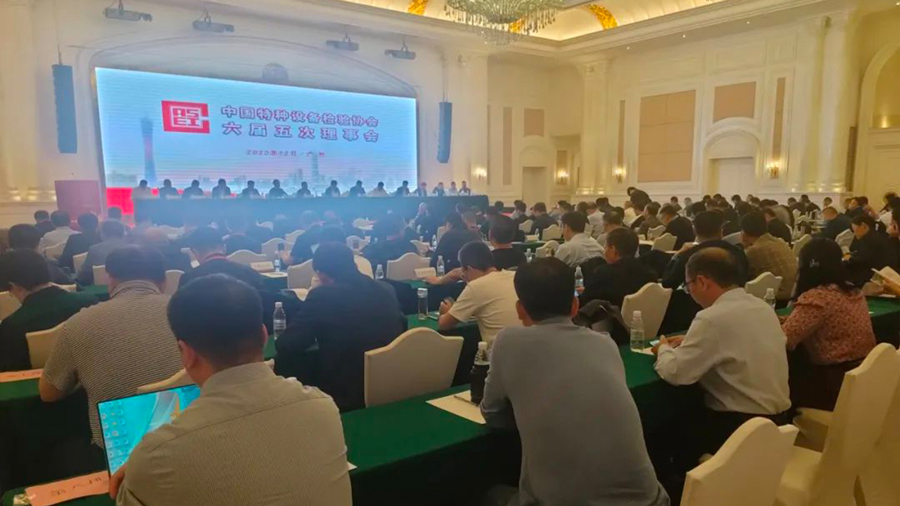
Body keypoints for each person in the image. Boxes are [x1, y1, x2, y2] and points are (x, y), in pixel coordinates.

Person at [112, 274, 351, 506]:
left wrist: (138, 473)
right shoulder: (323, 407)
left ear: (186, 353)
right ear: (264, 335)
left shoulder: (157, 456)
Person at [481, 258, 669, 506]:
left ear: (519, 309)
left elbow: (491, 411)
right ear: (575, 305)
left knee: (487, 492)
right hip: (652, 500)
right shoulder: (605, 343)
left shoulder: (507, 342)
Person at [39, 247, 184, 454]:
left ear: (111, 280)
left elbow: (49, 393)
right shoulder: (192, 313)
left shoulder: (79, 324)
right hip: (192, 434)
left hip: (119, 451)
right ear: (164, 281)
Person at [654, 248, 791, 458]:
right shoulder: (762, 307)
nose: (690, 293)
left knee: (662, 432)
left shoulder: (711, 318)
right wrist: (691, 340)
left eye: (688, 286)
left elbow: (676, 372)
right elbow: (739, 339)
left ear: (702, 282)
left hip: (737, 430)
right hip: (778, 424)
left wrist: (663, 348)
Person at [276, 243, 405, 412]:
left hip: (344, 392)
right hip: (390, 384)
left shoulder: (322, 296)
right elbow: (402, 325)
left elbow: (288, 344)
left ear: (321, 274)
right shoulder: (386, 289)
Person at [781, 238, 876, 411]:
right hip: (866, 377)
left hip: (833, 385)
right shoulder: (853, 290)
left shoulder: (817, 298)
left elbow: (785, 339)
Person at [0, 249, 97, 372]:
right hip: (91, 376)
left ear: (14, 286)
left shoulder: (12, 326)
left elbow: (9, 372)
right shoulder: (89, 303)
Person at [438, 242, 521, 344]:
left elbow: (444, 324)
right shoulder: (514, 275)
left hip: (499, 350)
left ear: (469, 269)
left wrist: (446, 312)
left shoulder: (476, 286)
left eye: (464, 273)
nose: (464, 278)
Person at [662, 211, 748, 290]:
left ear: (694, 231)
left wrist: (677, 254)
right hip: (734, 298)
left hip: (697, 301)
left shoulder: (690, 255)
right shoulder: (737, 252)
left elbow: (667, 283)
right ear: (721, 230)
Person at [582, 228, 657, 308]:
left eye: (605, 247)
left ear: (613, 250)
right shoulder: (650, 275)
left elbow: (586, 303)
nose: (604, 251)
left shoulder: (604, 274)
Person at [740, 212, 798, 302]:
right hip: (793, 294)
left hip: (777, 298)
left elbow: (743, 277)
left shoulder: (754, 250)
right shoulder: (780, 241)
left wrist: (744, 246)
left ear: (744, 232)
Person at [845, 213, 896, 286]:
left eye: (854, 229)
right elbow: (853, 249)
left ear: (863, 225)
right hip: (874, 268)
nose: (854, 233)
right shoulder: (872, 235)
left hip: (876, 272)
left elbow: (863, 258)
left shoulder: (871, 239)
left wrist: (849, 259)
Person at [76, 220, 128, 285]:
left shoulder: (94, 249)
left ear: (103, 233)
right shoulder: (133, 248)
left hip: (100, 288)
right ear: (123, 233)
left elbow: (84, 274)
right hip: (127, 286)